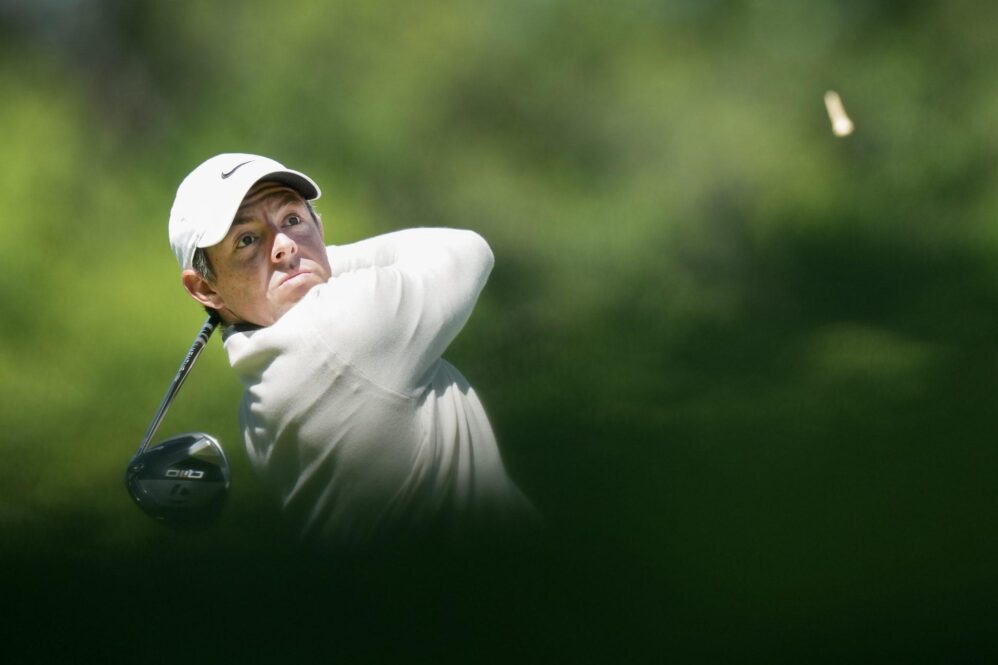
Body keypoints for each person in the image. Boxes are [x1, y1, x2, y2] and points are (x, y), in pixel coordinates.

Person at [167, 153, 538, 552]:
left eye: (292, 220)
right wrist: (318, 258)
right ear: (204, 288)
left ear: (319, 225)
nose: (285, 246)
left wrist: (305, 265)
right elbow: (469, 250)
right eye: (247, 240)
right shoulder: (341, 326)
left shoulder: (252, 408)